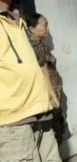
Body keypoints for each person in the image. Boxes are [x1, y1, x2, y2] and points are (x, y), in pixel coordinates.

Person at [0, 0, 65, 162]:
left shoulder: (17, 20)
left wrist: (49, 93)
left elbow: (36, 62)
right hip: (12, 123)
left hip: (40, 114)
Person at [26, 13, 70, 142]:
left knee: (57, 126)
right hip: (47, 98)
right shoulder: (32, 47)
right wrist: (52, 95)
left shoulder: (40, 44)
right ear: (31, 28)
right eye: (44, 26)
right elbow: (43, 73)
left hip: (53, 96)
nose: (48, 29)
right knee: (51, 131)